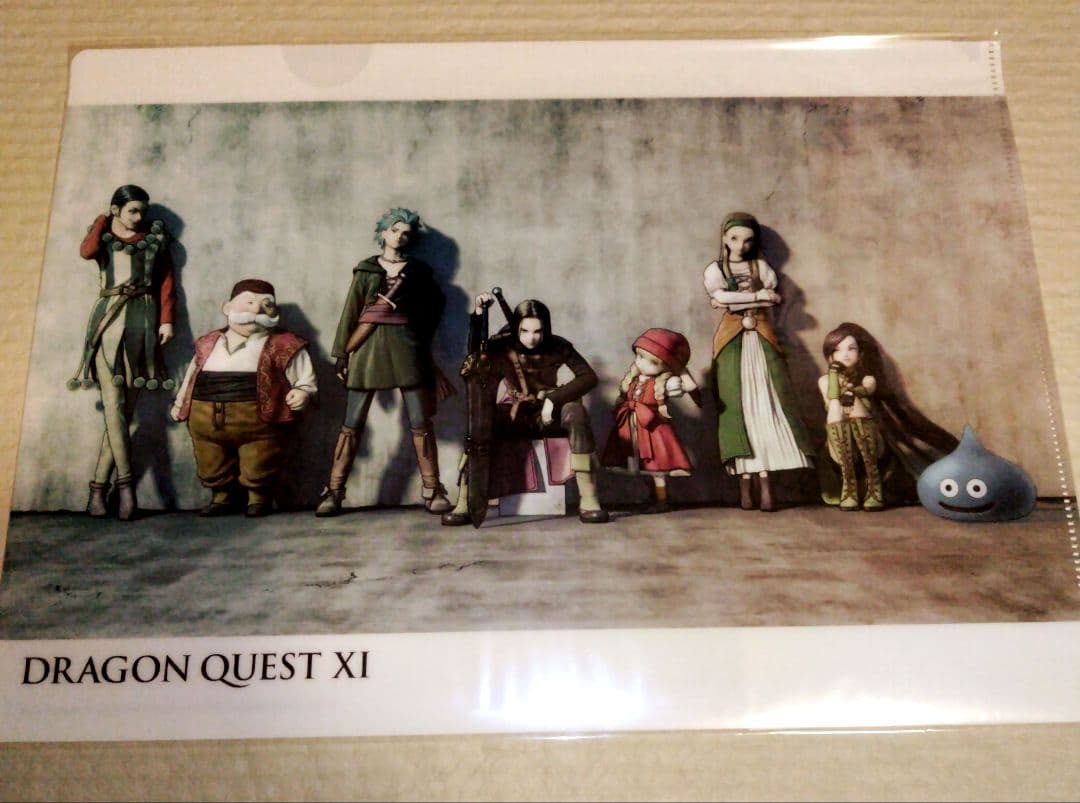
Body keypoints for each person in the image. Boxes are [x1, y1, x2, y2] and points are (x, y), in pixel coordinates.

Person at [315, 207, 452, 516]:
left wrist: (415, 323)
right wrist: (342, 353)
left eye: (406, 233)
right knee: (352, 423)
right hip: (367, 348)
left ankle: (432, 489)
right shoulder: (366, 270)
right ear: (383, 233)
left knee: (420, 422)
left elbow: (435, 306)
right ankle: (334, 491)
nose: (400, 237)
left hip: (407, 348)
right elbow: (351, 312)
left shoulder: (418, 272)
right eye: (395, 230)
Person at [442, 295, 610, 525]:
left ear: (546, 328)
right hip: (516, 412)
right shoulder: (502, 345)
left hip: (549, 413)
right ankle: (465, 500)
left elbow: (588, 377)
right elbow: (475, 355)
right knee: (480, 421)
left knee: (576, 412)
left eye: (538, 331)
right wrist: (479, 313)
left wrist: (554, 399)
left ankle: (589, 499)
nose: (532, 338)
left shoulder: (558, 346)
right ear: (516, 328)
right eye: (525, 331)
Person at [72, 184, 177, 520]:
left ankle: (97, 490)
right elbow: (86, 252)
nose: (139, 217)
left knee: (123, 412)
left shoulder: (155, 239)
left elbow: (167, 280)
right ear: (116, 210)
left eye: (142, 211)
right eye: (132, 210)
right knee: (114, 407)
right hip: (108, 323)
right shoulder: (102, 236)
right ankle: (126, 487)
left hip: (143, 325)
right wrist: (102, 220)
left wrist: (166, 320)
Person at [170, 279, 316, 517]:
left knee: (260, 459)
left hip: (259, 421)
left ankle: (258, 499)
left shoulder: (284, 344)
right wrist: (180, 403)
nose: (257, 309)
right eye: (248, 302)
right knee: (211, 460)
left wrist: (303, 391)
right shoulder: (208, 343)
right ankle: (221, 497)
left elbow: (304, 376)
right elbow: (192, 375)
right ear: (227, 307)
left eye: (266, 305)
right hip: (205, 419)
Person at [703, 211, 813, 512]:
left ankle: (767, 487)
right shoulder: (715, 269)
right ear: (725, 238)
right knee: (736, 406)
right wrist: (755, 297)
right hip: (732, 342)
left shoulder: (762, 267)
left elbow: (770, 299)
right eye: (735, 238)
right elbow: (721, 297)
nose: (740, 245)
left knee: (768, 403)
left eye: (748, 240)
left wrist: (733, 299)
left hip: (761, 340)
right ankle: (744, 487)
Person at [817, 322, 959, 510]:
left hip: (871, 446)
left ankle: (874, 484)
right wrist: (834, 373)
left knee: (853, 401)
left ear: (860, 353)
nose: (845, 354)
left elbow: (866, 390)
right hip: (840, 449)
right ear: (830, 355)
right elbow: (833, 395)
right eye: (837, 350)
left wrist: (852, 392)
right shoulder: (825, 380)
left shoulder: (867, 378)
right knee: (836, 404)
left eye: (851, 348)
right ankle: (849, 486)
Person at [601, 328, 698, 513]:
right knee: (639, 466)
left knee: (656, 467)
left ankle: (662, 500)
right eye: (639, 356)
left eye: (653, 361)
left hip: (653, 430)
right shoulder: (633, 379)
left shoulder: (664, 383)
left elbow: (689, 386)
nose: (642, 363)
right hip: (631, 427)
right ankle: (652, 497)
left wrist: (680, 369)